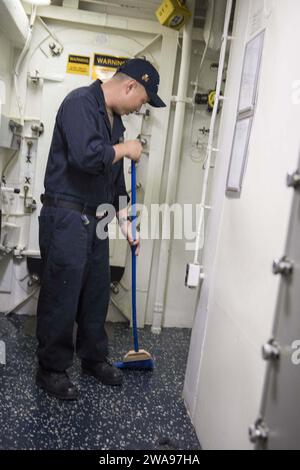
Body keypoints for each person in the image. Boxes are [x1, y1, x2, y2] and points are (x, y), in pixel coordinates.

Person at [35, 58, 166, 400]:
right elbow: (86, 157)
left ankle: (93, 358)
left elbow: (113, 177)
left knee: (95, 293)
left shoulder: (115, 121)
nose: (140, 108)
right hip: (65, 214)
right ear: (129, 86)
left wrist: (124, 221)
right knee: (62, 294)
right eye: (142, 100)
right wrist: (127, 149)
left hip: (97, 217)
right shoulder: (80, 102)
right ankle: (51, 368)